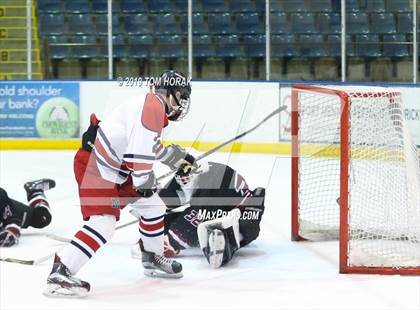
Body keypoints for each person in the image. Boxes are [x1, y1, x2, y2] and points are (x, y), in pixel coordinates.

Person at [44, 70, 195, 297]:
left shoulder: (152, 107)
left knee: (154, 206)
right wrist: (145, 180)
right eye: (181, 96)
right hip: (95, 167)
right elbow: (139, 157)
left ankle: (151, 257)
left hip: (116, 170)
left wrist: (176, 159)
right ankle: (61, 270)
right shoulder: (153, 108)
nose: (182, 104)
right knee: (103, 224)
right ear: (170, 92)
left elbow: (147, 147)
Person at [132, 161, 265, 268]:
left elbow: (189, 220)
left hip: (242, 212)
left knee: (242, 227)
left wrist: (155, 245)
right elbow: (170, 196)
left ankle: (227, 242)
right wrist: (151, 210)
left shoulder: (209, 185)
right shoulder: (197, 175)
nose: (183, 183)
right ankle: (224, 237)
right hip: (229, 207)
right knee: (184, 219)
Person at [0, 179, 55, 247]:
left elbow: (14, 221)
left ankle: (35, 190)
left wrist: (11, 233)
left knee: (43, 218)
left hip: (15, 212)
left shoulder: (4, 206)